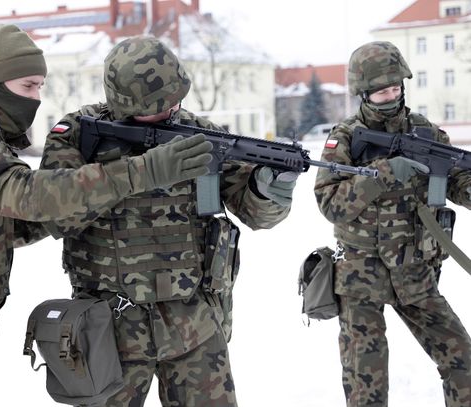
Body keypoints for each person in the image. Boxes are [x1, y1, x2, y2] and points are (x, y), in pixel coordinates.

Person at [0, 26, 215, 407]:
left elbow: (12, 224)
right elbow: (27, 195)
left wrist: (87, 202)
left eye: (40, 87)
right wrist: (140, 172)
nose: (36, 98)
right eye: (28, 86)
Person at [39, 35, 297, 407]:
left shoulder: (201, 135)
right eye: (156, 107)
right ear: (123, 104)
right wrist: (139, 171)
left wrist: (268, 189)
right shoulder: (79, 135)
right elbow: (54, 213)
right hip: (108, 329)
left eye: (175, 100)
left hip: (195, 324)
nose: (171, 109)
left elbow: (256, 213)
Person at [314, 41, 471, 407]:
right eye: (381, 91)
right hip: (360, 277)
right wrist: (383, 173)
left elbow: (458, 182)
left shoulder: (426, 133)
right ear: (363, 93)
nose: (391, 96)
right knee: (366, 383)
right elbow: (330, 203)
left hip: (414, 271)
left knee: (463, 361)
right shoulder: (345, 137)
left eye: (396, 88)